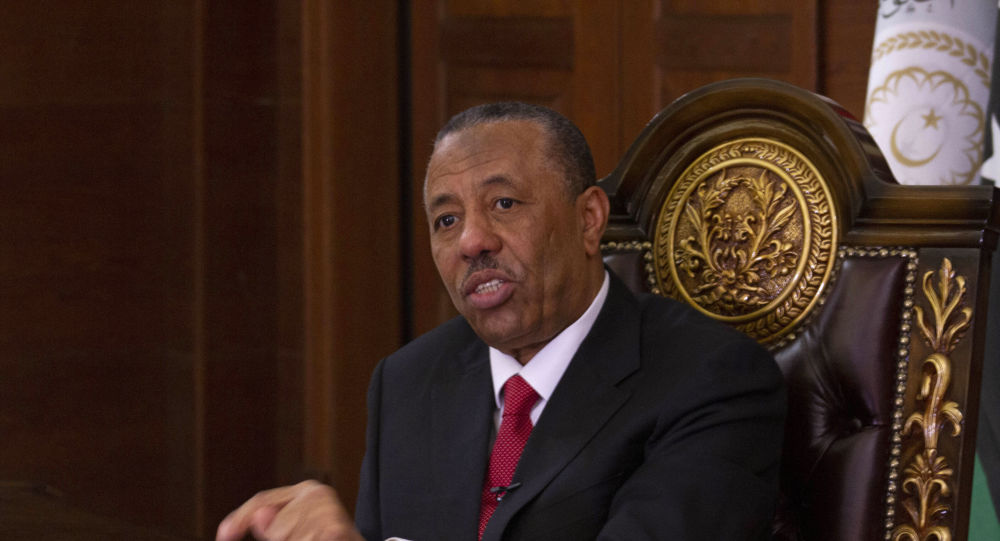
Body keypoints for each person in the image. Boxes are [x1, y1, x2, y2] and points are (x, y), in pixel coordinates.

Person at [216, 102, 786, 541]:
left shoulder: (710, 379)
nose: (472, 241)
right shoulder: (407, 382)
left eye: (504, 204)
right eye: (446, 220)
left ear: (589, 219)